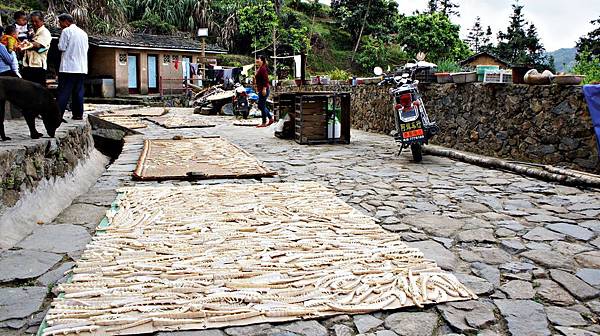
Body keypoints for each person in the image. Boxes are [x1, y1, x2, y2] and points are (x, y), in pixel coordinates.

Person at [56, 14, 88, 120]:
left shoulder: (66, 31)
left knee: (64, 92)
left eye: (60, 23)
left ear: (66, 22)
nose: (60, 25)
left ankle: (58, 114)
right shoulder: (83, 33)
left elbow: (61, 47)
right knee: (78, 92)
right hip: (81, 68)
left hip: (68, 67)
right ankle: (78, 114)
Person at [21, 11, 51, 87]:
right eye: (32, 21)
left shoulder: (45, 32)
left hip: (38, 66)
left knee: (38, 91)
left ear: (42, 21)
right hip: (28, 65)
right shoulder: (32, 32)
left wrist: (28, 43)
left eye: (36, 21)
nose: (34, 23)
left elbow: (39, 45)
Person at [254, 55, 273, 128]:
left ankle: (265, 121)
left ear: (262, 60)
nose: (256, 60)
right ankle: (269, 119)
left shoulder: (263, 69)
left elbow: (266, 79)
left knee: (261, 105)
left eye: (258, 59)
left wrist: (264, 89)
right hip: (261, 89)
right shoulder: (260, 68)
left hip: (264, 89)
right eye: (256, 59)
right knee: (262, 105)